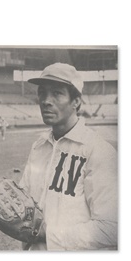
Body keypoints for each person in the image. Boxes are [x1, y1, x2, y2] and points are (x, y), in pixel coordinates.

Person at [18, 63, 117, 250]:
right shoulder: (38, 147)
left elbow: (113, 227)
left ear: (76, 102)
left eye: (57, 93)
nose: (46, 101)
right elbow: (25, 206)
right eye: (42, 92)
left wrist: (48, 234)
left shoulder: (98, 150)